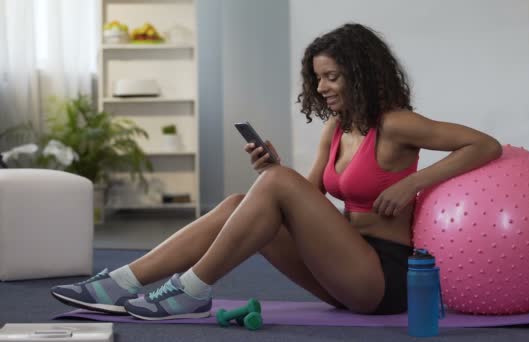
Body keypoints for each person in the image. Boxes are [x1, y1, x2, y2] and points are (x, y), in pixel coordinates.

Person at [50, 23, 502, 319]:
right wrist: (275, 173)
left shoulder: (397, 122)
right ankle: (119, 283)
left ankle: (192, 289)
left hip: (382, 278)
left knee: (269, 188)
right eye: (317, 78)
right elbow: (307, 201)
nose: (321, 88)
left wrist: (413, 183)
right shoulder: (337, 128)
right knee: (236, 204)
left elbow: (484, 145)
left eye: (332, 77)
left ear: (362, 74)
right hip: (341, 266)